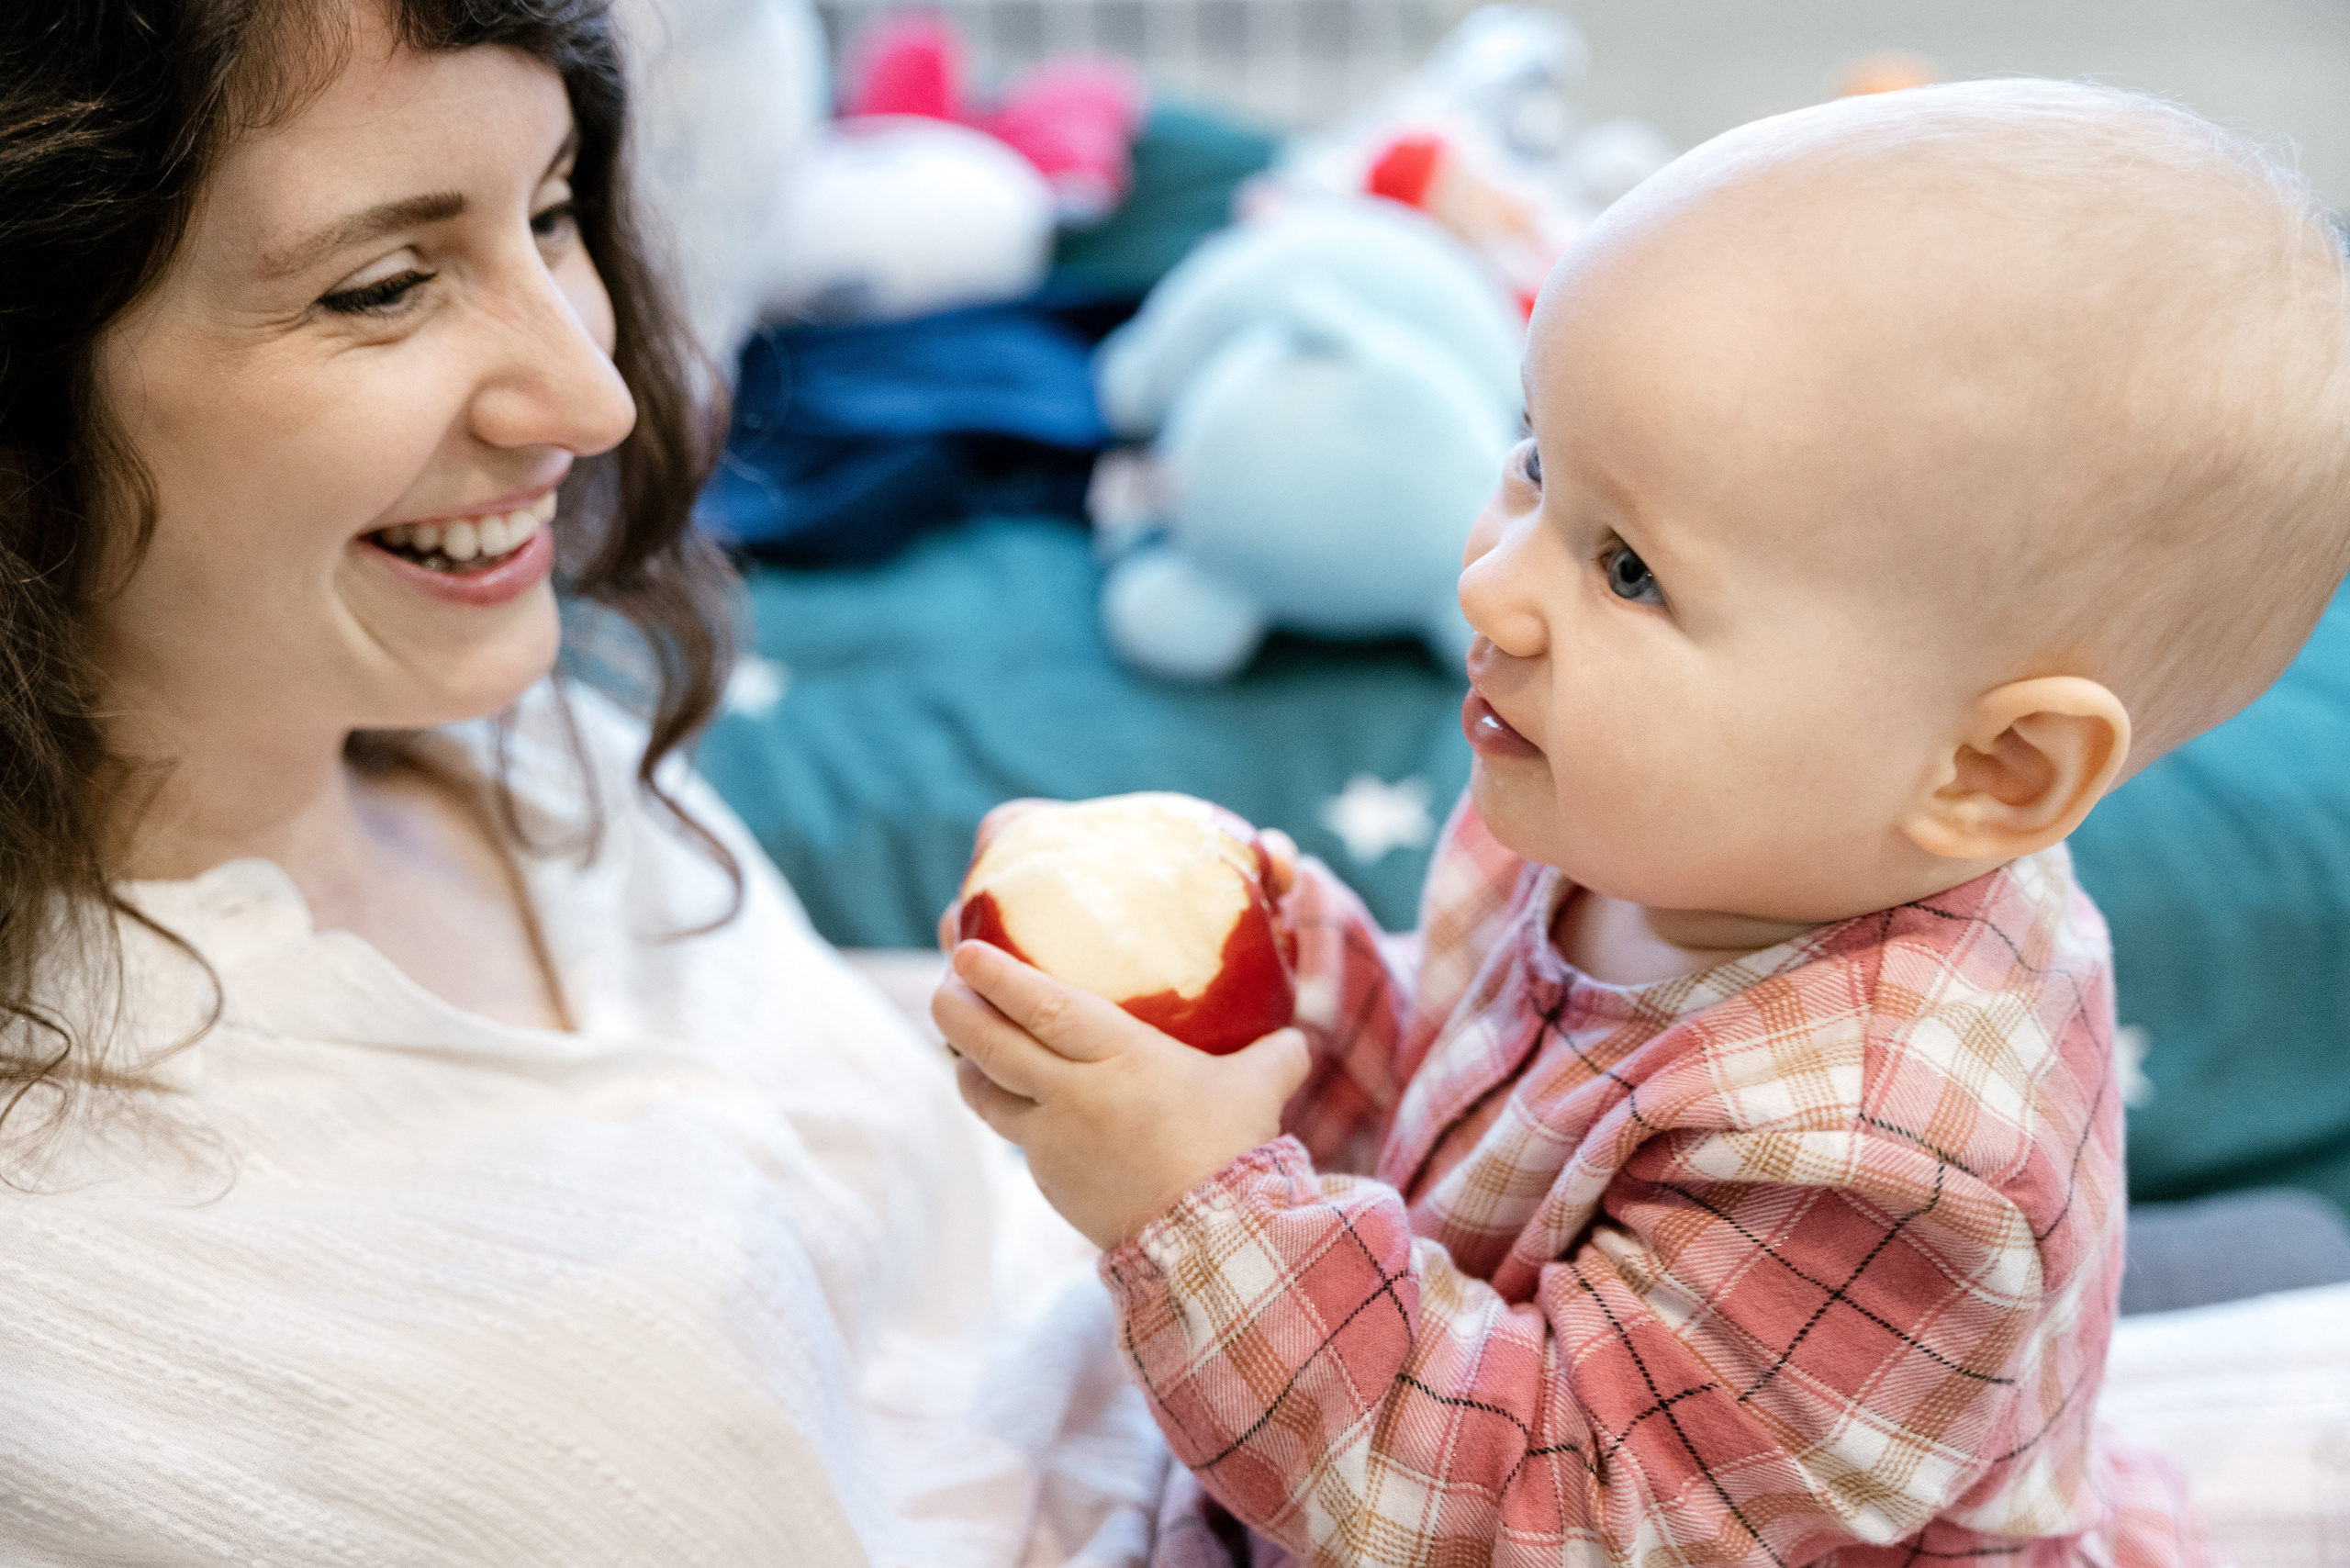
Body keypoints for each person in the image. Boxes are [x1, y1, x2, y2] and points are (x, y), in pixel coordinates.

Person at [933, 80, 2350, 1567]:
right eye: (1539, 460)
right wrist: (1274, 984)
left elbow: (1527, 1508)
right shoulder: (1663, 808)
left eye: (1626, 569)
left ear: (1992, 773)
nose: (1490, 587)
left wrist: (1190, 1207)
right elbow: (1466, 1101)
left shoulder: (1888, 1160)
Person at [0, 2, 1159, 1562]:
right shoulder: (119, 1307)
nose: (595, 399)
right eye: (384, 287)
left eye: (549, 211)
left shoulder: (525, 749)